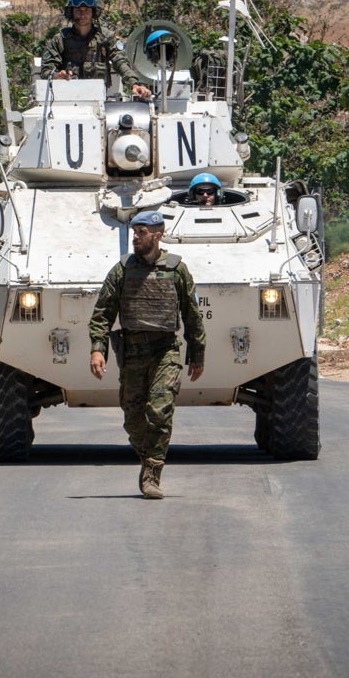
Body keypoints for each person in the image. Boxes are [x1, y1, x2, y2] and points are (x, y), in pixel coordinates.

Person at [88, 209, 205, 499]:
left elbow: (192, 315)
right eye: (134, 231)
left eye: (141, 232)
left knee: (160, 411)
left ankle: (152, 472)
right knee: (133, 419)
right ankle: (146, 456)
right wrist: (97, 349)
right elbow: (102, 313)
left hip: (165, 350)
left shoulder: (176, 269)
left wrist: (197, 353)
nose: (135, 237)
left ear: (157, 234)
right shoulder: (122, 270)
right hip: (132, 353)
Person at [42, 0, 152, 100]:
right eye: (78, 10)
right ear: (71, 12)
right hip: (66, 100)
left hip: (99, 98)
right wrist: (57, 76)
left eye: (87, 10)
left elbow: (120, 62)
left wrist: (134, 84)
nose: (83, 14)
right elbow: (46, 70)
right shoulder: (60, 40)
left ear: (94, 12)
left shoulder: (106, 38)